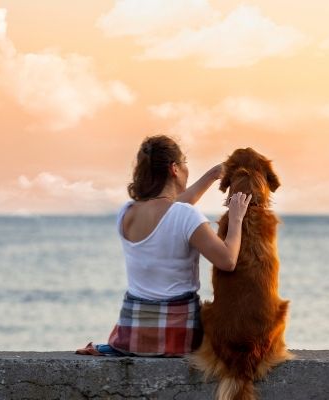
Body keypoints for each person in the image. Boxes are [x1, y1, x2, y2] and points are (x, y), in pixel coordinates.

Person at [76, 135, 251, 357]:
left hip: (131, 337)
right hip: (178, 338)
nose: (188, 169)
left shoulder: (127, 212)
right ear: (174, 169)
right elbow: (227, 261)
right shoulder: (186, 215)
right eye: (185, 162)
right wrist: (236, 219)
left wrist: (212, 175)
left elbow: (171, 212)